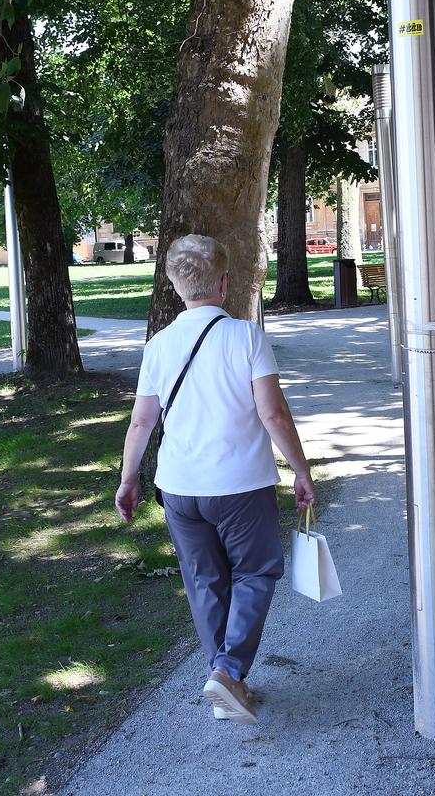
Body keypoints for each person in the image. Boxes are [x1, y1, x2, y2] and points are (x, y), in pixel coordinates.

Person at [115, 234, 316, 725]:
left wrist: (127, 480)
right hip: (241, 484)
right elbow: (273, 414)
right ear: (224, 283)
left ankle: (225, 683)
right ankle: (227, 672)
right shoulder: (246, 337)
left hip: (179, 488)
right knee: (256, 571)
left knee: (204, 580)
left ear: (175, 284)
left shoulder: (160, 346)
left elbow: (142, 422)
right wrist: (301, 469)